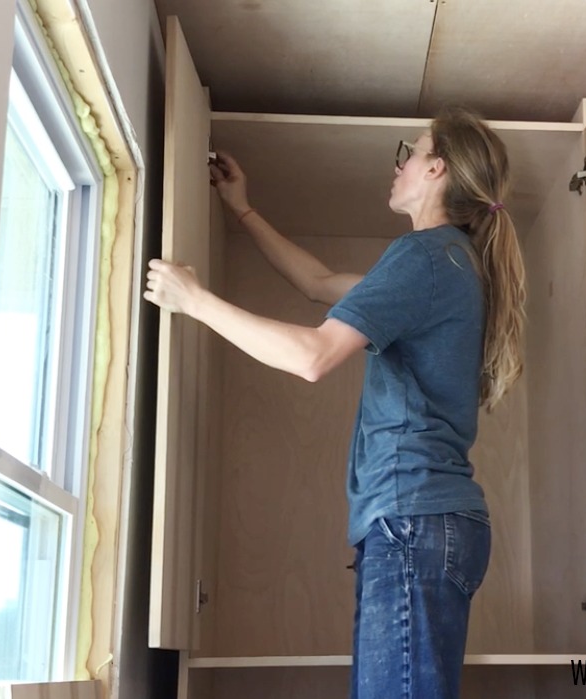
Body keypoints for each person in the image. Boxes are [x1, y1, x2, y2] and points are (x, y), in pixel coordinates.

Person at [144, 106, 527, 699]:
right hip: (428, 522)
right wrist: (241, 208)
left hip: (413, 520)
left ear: (437, 169)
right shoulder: (452, 264)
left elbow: (313, 356)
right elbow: (320, 284)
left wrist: (193, 300)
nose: (400, 163)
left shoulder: (426, 257)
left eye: (412, 150)